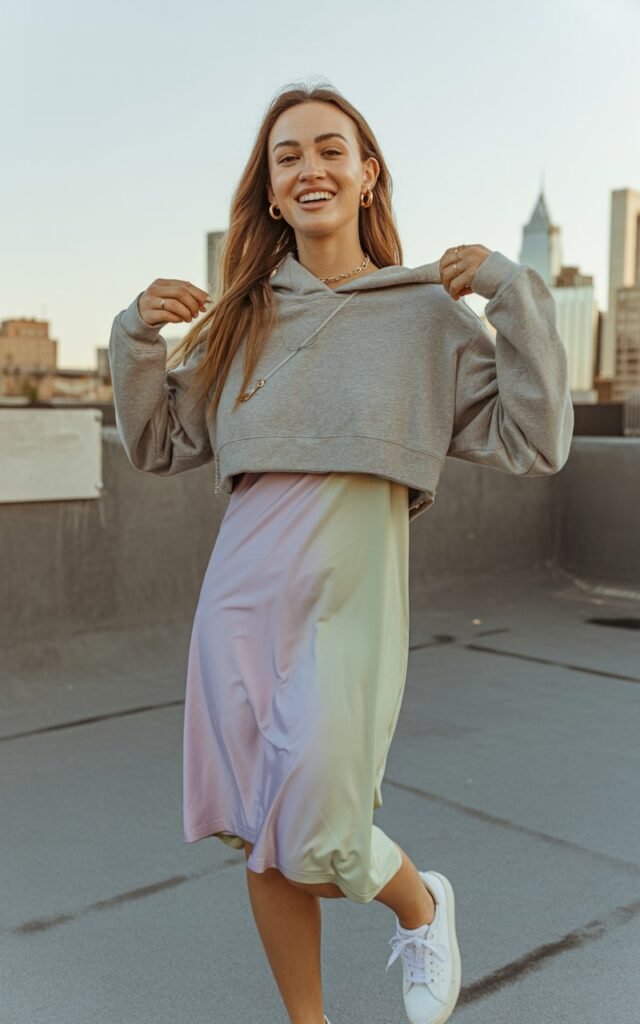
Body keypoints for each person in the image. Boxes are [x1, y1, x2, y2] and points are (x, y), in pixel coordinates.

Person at [108, 80, 574, 1024]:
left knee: (318, 825)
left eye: (330, 149)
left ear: (366, 177)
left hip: (355, 588)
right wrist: (135, 337)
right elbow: (157, 444)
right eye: (288, 157)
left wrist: (511, 292)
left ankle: (420, 902)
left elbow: (538, 440)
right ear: (271, 194)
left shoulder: (427, 315)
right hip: (240, 591)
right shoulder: (241, 318)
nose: (309, 167)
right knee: (262, 836)